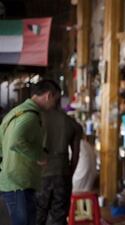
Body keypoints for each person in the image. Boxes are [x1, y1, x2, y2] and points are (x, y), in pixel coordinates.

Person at [0, 79, 61, 225]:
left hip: (12, 181)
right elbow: (16, 142)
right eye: (56, 100)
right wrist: (39, 156)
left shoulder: (13, 113)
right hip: (20, 184)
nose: (55, 105)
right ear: (48, 96)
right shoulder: (30, 116)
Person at [35, 106, 82, 225]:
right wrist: (70, 173)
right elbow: (76, 155)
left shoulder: (36, 118)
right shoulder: (70, 122)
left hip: (40, 175)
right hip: (62, 173)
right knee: (59, 217)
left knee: (37, 216)